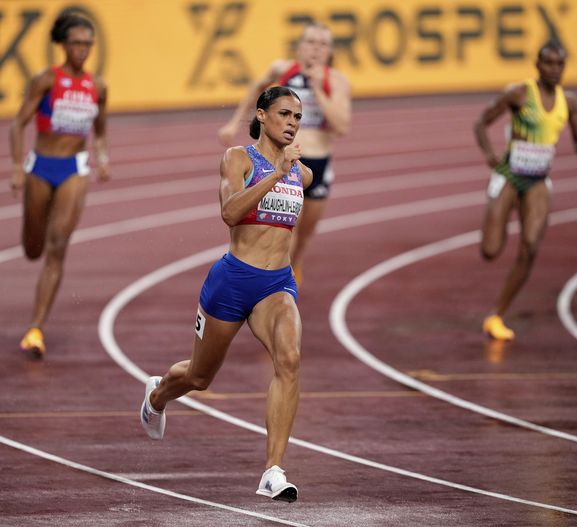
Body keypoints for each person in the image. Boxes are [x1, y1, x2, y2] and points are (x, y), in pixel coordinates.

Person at [141, 87, 313, 503]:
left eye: (297, 117)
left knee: (289, 360)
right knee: (199, 377)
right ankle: (158, 394)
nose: (292, 123)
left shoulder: (303, 174)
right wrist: (275, 174)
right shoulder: (238, 159)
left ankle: (273, 470)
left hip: (277, 284)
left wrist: (287, 172)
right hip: (233, 281)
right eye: (284, 114)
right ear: (262, 115)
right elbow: (230, 213)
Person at [473, 41, 577, 341]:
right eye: (549, 63)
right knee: (490, 251)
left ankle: (496, 316)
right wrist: (489, 154)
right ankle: (500, 214)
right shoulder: (520, 94)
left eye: (560, 64)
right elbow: (481, 123)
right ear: (537, 65)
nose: (554, 69)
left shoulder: (569, 102)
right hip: (510, 175)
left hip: (537, 180)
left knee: (530, 248)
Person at [217, 22, 350, 287]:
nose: (316, 49)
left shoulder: (335, 80)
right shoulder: (282, 69)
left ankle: (294, 266)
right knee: (286, 227)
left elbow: (341, 125)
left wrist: (317, 87)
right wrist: (233, 122)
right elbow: (256, 89)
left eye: (323, 44)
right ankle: (278, 282)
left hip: (318, 163)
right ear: (300, 46)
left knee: (306, 234)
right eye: (311, 42)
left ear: (330, 51)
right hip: (287, 161)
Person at [8, 12, 109, 357]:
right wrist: (16, 168)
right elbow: (17, 125)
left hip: (74, 168)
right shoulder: (46, 80)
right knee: (33, 249)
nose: (83, 49)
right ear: (64, 45)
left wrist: (102, 158)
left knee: (58, 244)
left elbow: (101, 131)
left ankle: (35, 329)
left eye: (88, 44)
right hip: (41, 166)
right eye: (77, 43)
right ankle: (34, 238)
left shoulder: (98, 87)